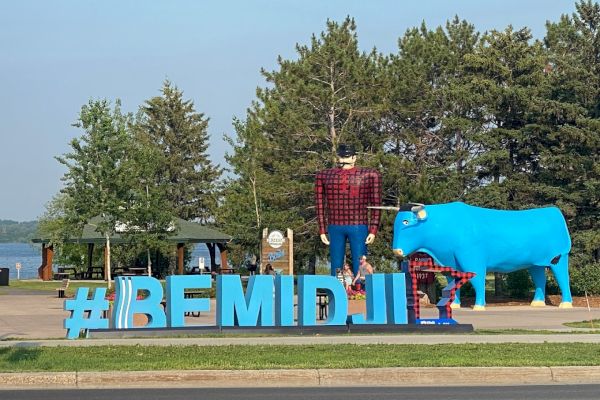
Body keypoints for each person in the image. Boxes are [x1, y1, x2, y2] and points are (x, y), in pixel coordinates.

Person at [315, 144, 382, 276]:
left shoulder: (370, 175)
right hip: (335, 225)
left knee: (360, 261)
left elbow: (376, 204)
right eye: (341, 156)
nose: (343, 160)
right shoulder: (324, 176)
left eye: (346, 156)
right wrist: (322, 229)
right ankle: (336, 289)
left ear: (354, 158)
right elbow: (319, 204)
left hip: (358, 225)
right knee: (336, 263)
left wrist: (373, 229)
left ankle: (361, 291)